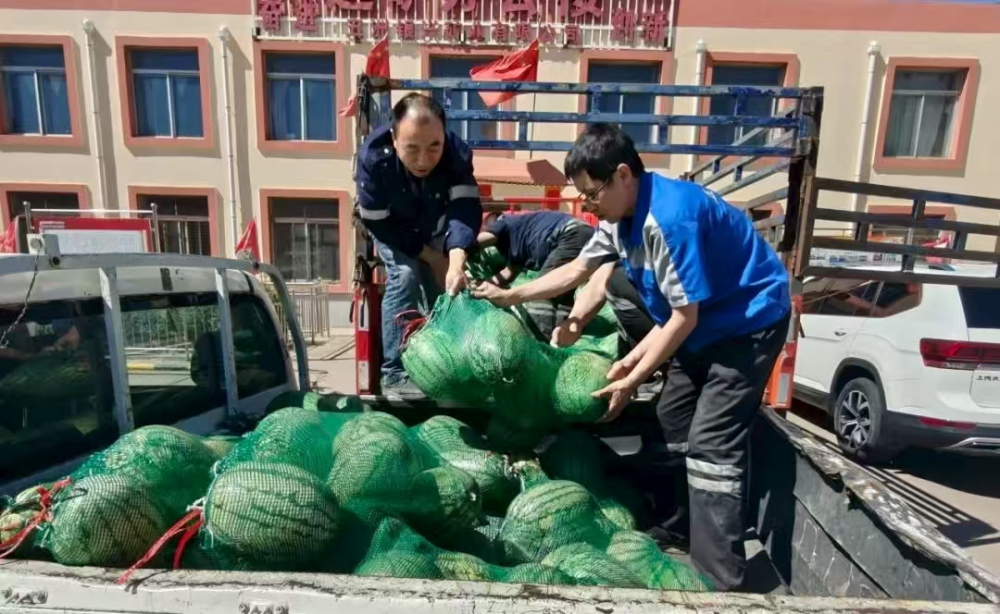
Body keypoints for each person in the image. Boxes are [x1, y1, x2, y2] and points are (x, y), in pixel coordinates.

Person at [473, 123, 790, 591]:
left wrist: (633, 376)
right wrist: (510, 296)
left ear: (622, 175)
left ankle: (721, 577)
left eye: (591, 193)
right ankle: (681, 524)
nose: (587, 205)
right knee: (673, 416)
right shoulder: (617, 221)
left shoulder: (669, 221)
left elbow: (683, 317)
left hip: (749, 324)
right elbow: (577, 271)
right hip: (705, 323)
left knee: (710, 444)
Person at [356, 93, 483, 397]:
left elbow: (464, 209)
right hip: (392, 228)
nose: (423, 160)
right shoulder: (374, 159)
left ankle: (442, 366)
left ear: (444, 138)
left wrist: (454, 263)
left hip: (434, 226)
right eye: (411, 148)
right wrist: (432, 257)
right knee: (406, 275)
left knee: (445, 288)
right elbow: (380, 223)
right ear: (394, 138)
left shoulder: (456, 156)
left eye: (434, 147)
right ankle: (394, 372)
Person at [475, 209, 657, 357]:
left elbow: (483, 239)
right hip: (581, 235)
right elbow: (508, 274)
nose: (588, 205)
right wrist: (483, 285)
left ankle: (542, 350)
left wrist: (462, 248)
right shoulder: (517, 245)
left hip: (569, 235)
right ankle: (559, 344)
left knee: (542, 296)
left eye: (591, 194)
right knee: (564, 296)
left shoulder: (503, 222)